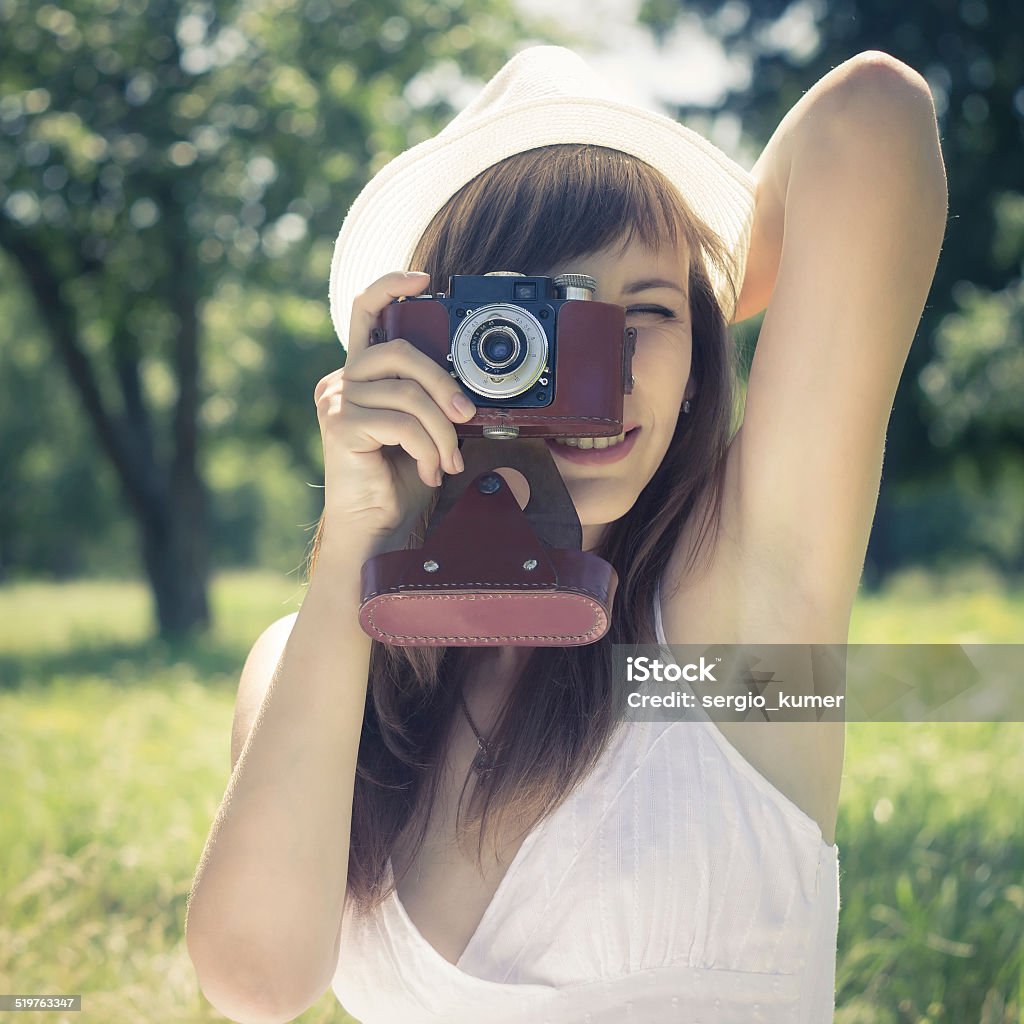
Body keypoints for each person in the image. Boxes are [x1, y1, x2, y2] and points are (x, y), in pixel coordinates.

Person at [185, 44, 948, 1024]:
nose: (606, 364)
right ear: (428, 339)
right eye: (536, 321)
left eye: (650, 314)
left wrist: (698, 264)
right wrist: (352, 545)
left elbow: (871, 114)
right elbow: (254, 984)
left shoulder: (734, 593)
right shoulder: (310, 657)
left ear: (700, 350)